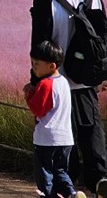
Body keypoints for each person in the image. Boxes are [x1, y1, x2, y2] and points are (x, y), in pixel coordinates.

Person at [31, 0, 107, 196]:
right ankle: (99, 179)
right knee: (90, 131)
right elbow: (103, 40)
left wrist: (34, 83)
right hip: (86, 81)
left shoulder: (44, 1)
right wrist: (101, 74)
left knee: (61, 139)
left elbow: (39, 48)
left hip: (55, 83)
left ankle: (68, 188)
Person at [24, 40, 83, 198]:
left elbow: (38, 109)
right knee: (61, 171)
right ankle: (72, 193)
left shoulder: (45, 84)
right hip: (65, 138)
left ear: (52, 66)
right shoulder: (63, 82)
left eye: (36, 64)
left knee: (45, 175)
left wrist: (29, 93)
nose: (33, 67)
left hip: (46, 139)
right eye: (32, 63)